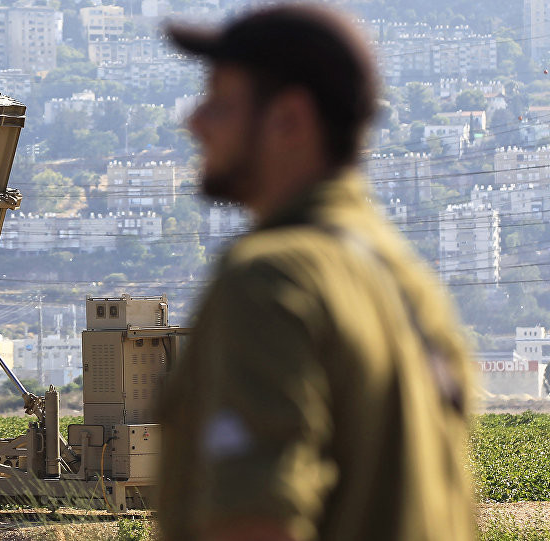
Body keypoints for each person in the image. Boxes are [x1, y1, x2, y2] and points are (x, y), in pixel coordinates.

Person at [158, 6, 474, 541]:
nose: (195, 121)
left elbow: (254, 524)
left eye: (221, 103)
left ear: (290, 121)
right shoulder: (409, 284)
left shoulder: (273, 280)